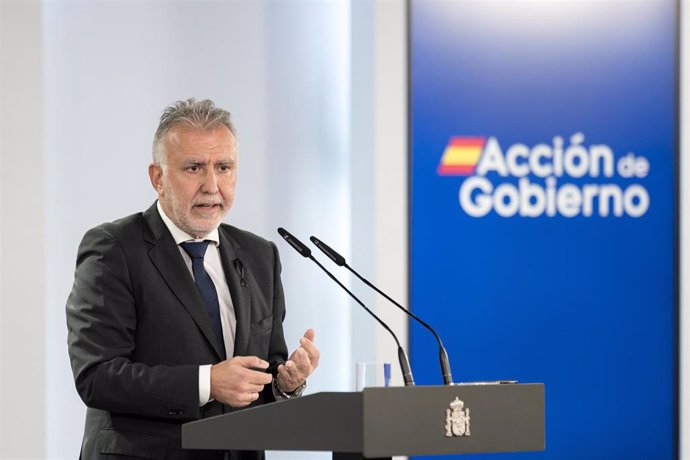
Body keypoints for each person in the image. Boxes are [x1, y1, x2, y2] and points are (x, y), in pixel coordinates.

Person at [66, 98, 319, 460]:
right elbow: (98, 376)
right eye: (194, 167)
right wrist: (207, 382)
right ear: (158, 178)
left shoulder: (260, 255)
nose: (212, 185)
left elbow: (262, 371)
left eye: (224, 167)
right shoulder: (114, 249)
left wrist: (285, 383)